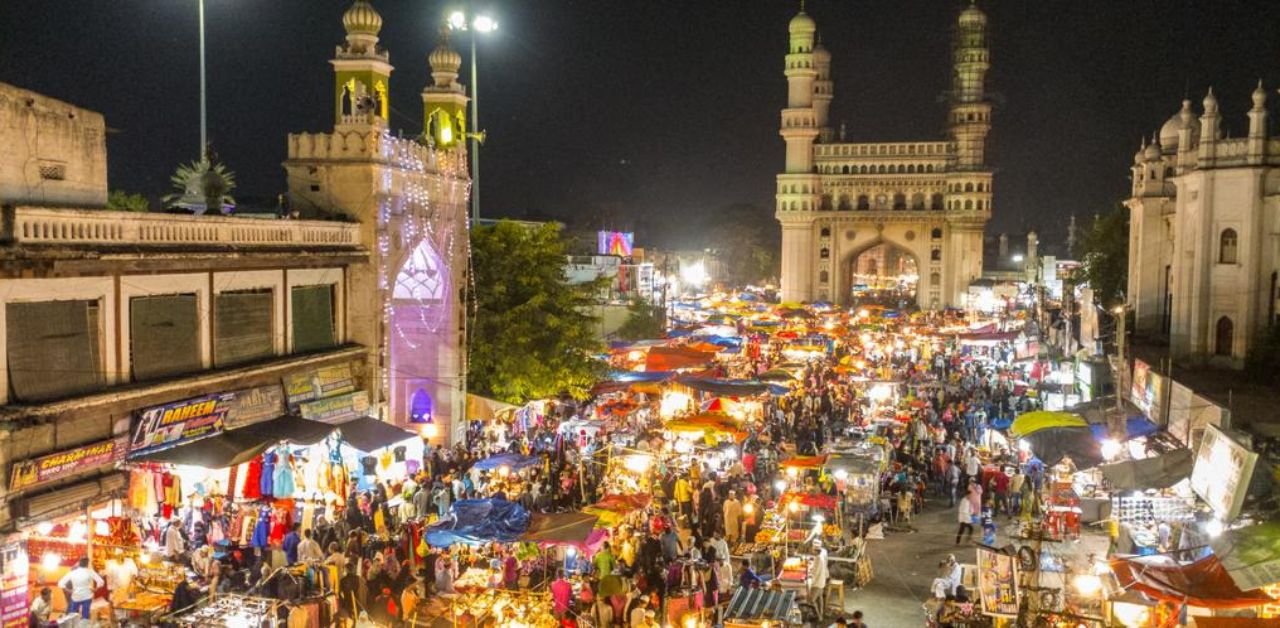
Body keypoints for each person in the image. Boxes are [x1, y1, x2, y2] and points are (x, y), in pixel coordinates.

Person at [810, 541, 830, 618]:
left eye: (812, 549)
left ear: (815, 550)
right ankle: (821, 613)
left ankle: (818, 616)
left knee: (812, 600)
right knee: (820, 597)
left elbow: (815, 574)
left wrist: (810, 582)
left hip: (818, 582)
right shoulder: (823, 552)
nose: (811, 550)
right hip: (822, 579)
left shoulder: (818, 559)